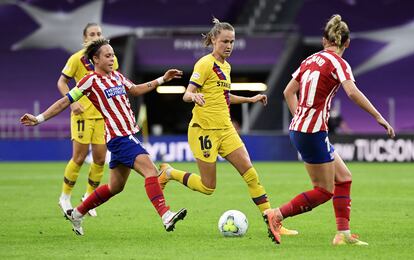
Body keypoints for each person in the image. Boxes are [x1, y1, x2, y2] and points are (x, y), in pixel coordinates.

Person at [20, 39, 186, 236]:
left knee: (115, 187)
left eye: (113, 55)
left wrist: (162, 79)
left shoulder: (116, 76)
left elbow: (135, 89)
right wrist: (38, 119)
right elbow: (65, 101)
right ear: (95, 59)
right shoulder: (90, 80)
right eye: (107, 55)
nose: (112, 58)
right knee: (151, 171)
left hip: (123, 136)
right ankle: (166, 215)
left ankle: (78, 213)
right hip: (120, 137)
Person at [157, 18, 298, 239]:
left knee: (251, 175)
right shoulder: (204, 64)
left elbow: (224, 97)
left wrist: (249, 100)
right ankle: (169, 173)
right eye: (225, 41)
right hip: (203, 131)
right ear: (214, 39)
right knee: (208, 187)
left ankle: (274, 222)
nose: (229, 46)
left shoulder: (226, 66)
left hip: (226, 130)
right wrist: (194, 95)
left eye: (232, 42)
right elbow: (187, 93)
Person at [263, 14, 395, 245]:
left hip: (302, 129)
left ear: (324, 40)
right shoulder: (340, 63)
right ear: (347, 43)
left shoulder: (309, 60)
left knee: (343, 177)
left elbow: (287, 92)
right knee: (324, 190)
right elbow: (352, 92)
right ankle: (277, 215)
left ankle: (342, 235)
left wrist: (301, 118)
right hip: (312, 133)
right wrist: (378, 116)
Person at [57, 23, 118, 217]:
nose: (96, 36)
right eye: (92, 34)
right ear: (85, 39)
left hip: (102, 116)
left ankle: (89, 197)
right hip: (82, 114)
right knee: (80, 157)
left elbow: (113, 82)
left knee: (100, 158)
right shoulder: (76, 59)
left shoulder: (109, 58)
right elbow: (62, 81)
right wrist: (72, 103)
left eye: (99, 33)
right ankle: (65, 196)